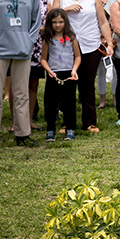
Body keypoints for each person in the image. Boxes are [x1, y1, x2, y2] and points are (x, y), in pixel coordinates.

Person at [53, 0, 114, 133]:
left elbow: (102, 21)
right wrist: (65, 10)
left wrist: (109, 43)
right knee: (67, 86)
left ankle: (89, 122)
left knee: (87, 85)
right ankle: (67, 123)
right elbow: (53, 19)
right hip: (66, 46)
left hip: (90, 45)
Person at [0, 0, 41, 146]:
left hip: (22, 50)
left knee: (21, 93)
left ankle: (22, 134)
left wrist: (28, 42)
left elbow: (35, 21)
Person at [40, 8, 81, 142]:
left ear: (65, 22)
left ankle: (70, 128)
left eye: (61, 22)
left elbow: (78, 56)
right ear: (50, 23)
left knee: (69, 102)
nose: (58, 25)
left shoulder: (72, 38)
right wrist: (49, 70)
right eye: (54, 22)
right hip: (54, 74)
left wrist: (74, 70)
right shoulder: (48, 39)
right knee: (51, 103)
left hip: (69, 73)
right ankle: (50, 129)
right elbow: (43, 59)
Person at [91, 0, 119, 110]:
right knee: (100, 71)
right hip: (97, 38)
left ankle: (115, 99)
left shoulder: (116, 0)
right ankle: (102, 100)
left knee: (114, 71)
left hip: (114, 39)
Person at [26, 0, 48, 130]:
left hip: (39, 48)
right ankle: (16, 122)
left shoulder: (46, 3)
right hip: (22, 46)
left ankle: (28, 120)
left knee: (33, 85)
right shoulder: (22, 0)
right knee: (18, 85)